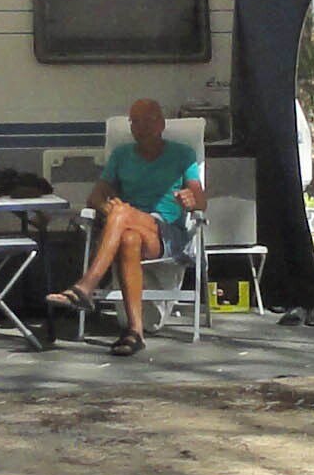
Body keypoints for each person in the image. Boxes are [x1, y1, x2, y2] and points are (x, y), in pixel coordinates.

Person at [47, 99, 204, 355]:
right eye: (135, 121)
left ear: (161, 124)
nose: (141, 127)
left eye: (149, 120)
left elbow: (201, 200)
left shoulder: (183, 154)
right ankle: (135, 332)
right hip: (134, 232)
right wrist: (112, 213)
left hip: (168, 233)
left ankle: (87, 285)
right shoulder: (121, 156)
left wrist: (190, 199)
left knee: (122, 213)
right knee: (128, 238)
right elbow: (95, 198)